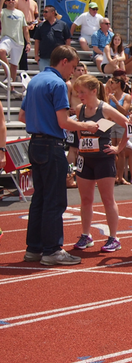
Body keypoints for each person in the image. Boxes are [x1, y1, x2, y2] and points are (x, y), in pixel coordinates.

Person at [19, 45, 99, 265]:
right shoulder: (57, 83)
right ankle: (52, 249)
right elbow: (63, 122)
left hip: (34, 143)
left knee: (39, 199)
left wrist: (43, 121)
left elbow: (22, 116)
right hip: (51, 145)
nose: (72, 73)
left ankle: (34, 248)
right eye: (72, 67)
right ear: (64, 62)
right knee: (54, 200)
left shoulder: (34, 81)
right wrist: (85, 125)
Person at [72, 75, 129, 253]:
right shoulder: (80, 109)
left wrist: (119, 148)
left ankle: (113, 237)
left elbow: (127, 124)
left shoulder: (105, 109)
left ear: (94, 91)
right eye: (77, 92)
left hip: (103, 159)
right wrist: (82, 145)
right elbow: (79, 131)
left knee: (107, 199)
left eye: (83, 92)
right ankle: (86, 235)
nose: (80, 95)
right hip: (86, 160)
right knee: (86, 199)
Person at [0, 0, 30, 82]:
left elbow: (25, 29)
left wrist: (28, 42)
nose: (11, 1)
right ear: (5, 2)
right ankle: (7, 74)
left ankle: (11, 88)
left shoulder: (20, 13)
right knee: (1, 51)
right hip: (7, 38)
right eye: (8, 0)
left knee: (14, 65)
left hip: (19, 41)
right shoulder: (3, 12)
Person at [33, 5, 72, 72]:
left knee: (57, 75)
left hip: (59, 58)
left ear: (53, 12)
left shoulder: (63, 25)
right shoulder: (41, 26)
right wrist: (36, 55)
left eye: (46, 12)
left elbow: (68, 39)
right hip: (44, 57)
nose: (44, 14)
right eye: (43, 12)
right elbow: (37, 41)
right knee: (44, 76)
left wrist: (66, 53)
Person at [15, 0, 38, 71]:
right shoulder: (16, 1)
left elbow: (36, 17)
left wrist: (33, 24)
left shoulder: (33, 3)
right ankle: (24, 69)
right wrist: (26, 24)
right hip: (20, 28)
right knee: (24, 47)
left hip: (32, 27)